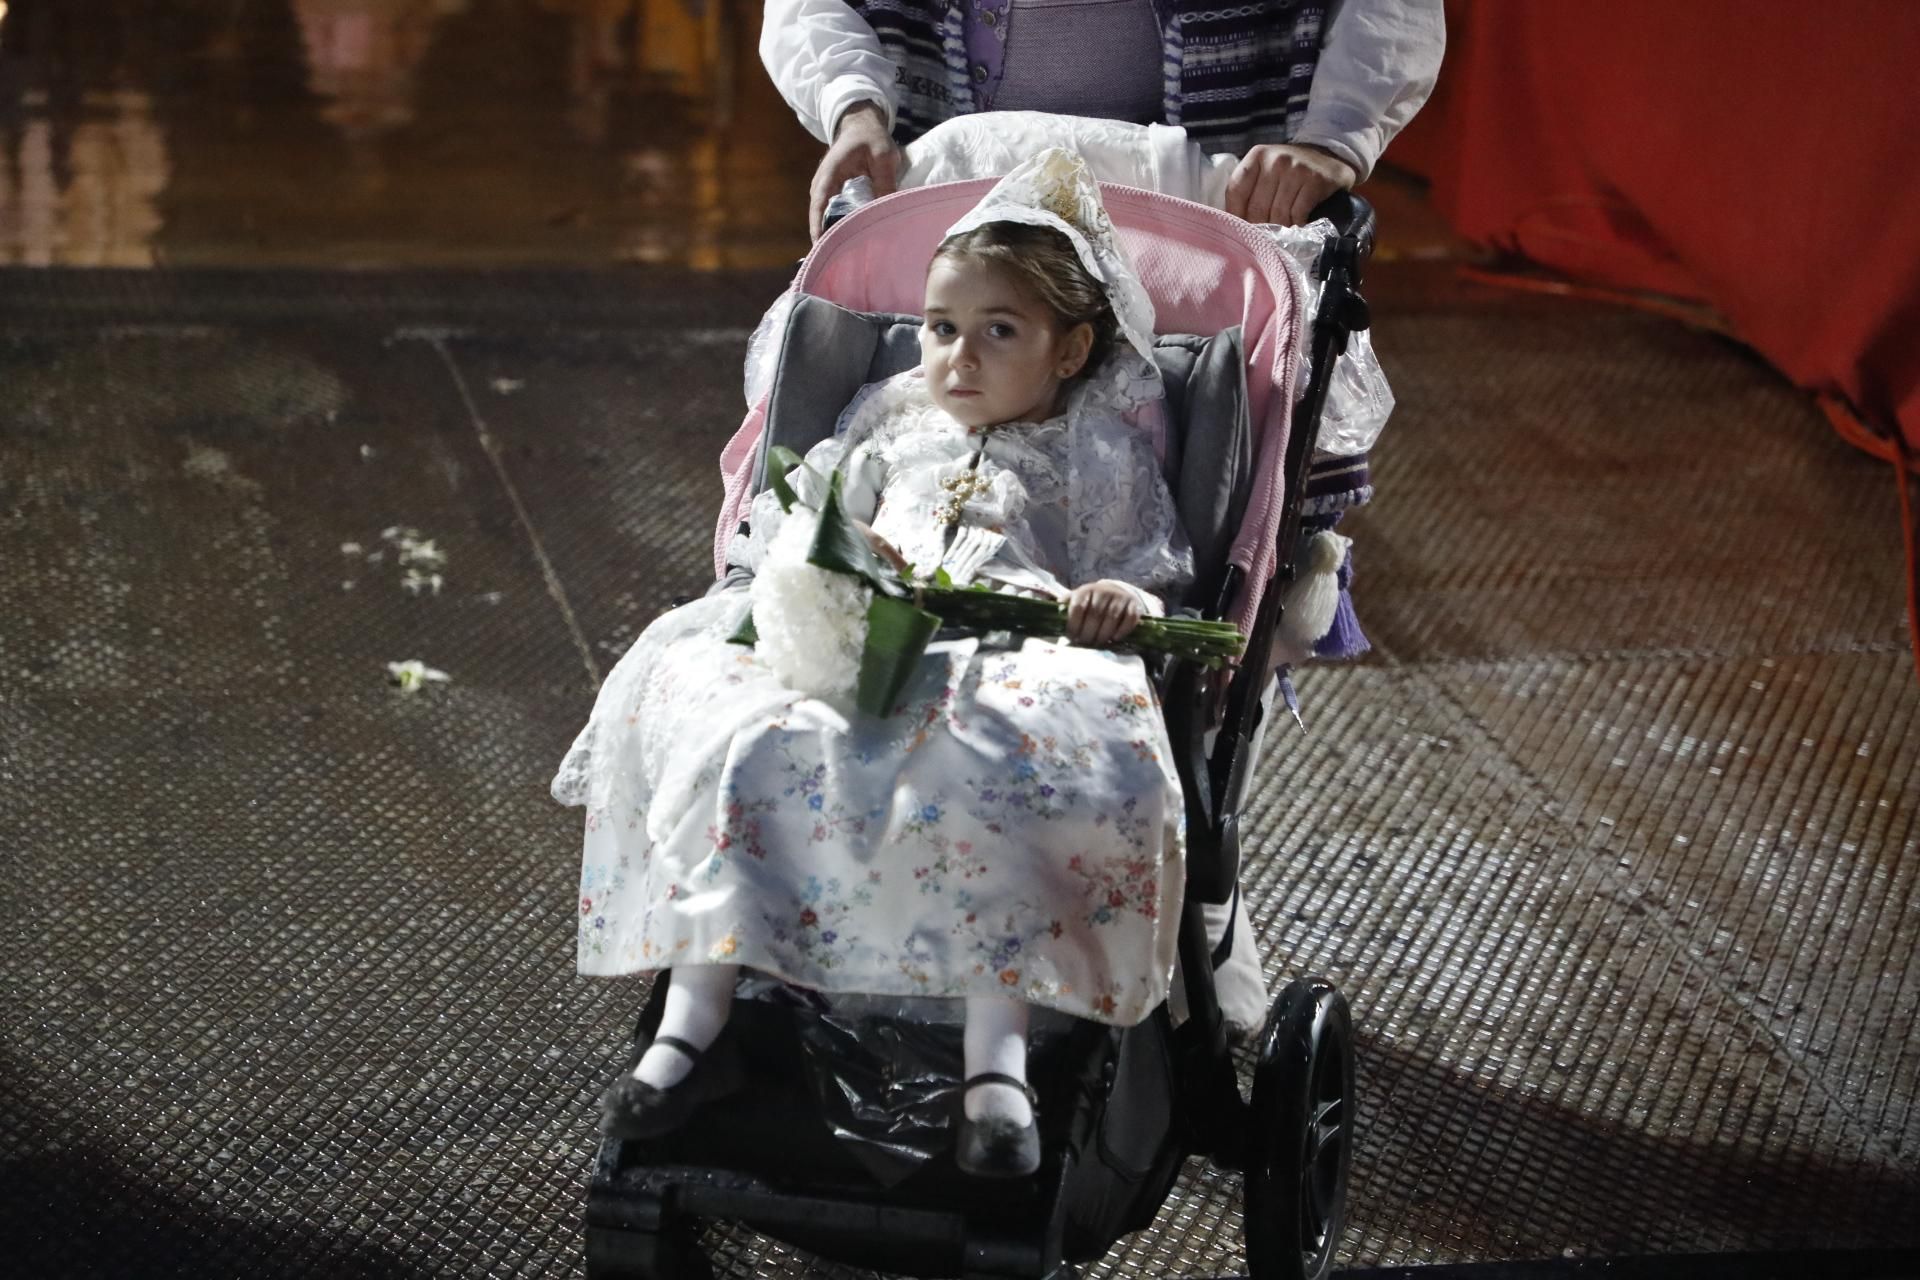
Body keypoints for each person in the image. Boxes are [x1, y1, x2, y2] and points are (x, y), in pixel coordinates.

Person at [552, 150, 1193, 1179]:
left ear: (1071, 348)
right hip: (869, 638)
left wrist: (1123, 601)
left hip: (1008, 650)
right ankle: (692, 1015)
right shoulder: (891, 422)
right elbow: (811, 526)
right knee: (742, 736)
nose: (960, 358)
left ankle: (996, 1066)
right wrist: (802, 580)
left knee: (1001, 774)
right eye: (942, 328)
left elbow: (1145, 572)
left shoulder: (1096, 454)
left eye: (1000, 332)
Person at [763, 0, 1444, 236]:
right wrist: (852, 106)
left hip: (1208, 211)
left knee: (1213, 469)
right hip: (953, 212)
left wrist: (1334, 138)